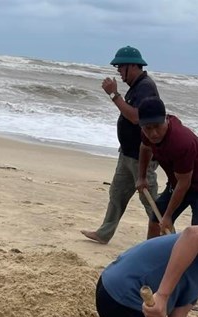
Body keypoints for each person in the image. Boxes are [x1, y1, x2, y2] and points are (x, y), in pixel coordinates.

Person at [81, 46, 160, 244]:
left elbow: (136, 117)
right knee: (117, 194)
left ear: (133, 66)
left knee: (150, 201)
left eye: (120, 66)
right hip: (127, 153)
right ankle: (104, 233)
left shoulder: (146, 87)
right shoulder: (137, 86)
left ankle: (168, 237)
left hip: (141, 156)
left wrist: (114, 95)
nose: (118, 71)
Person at [136, 96, 198, 236]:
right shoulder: (147, 132)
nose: (153, 133)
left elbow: (184, 183)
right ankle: (152, 249)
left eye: (157, 127)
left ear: (165, 119)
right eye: (148, 128)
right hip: (177, 184)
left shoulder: (181, 141)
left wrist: (168, 216)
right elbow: (145, 148)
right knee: (155, 221)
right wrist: (142, 177)